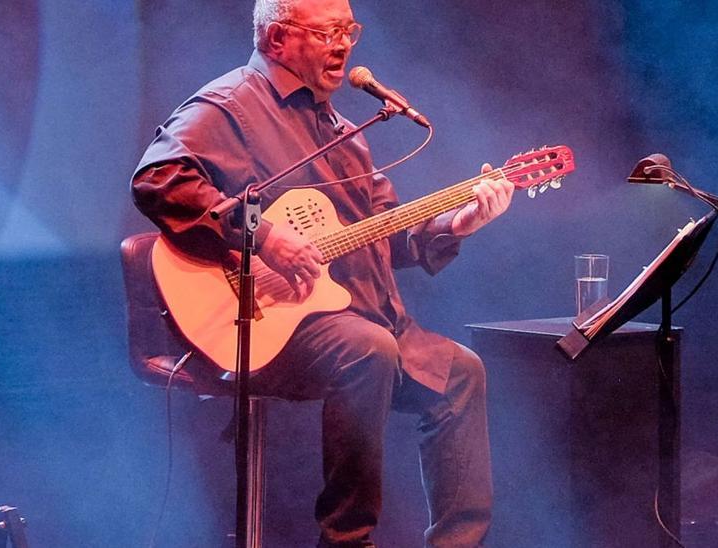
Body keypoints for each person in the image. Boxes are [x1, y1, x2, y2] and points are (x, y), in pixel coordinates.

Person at [131, 0, 514, 545]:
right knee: (370, 349)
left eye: (349, 30)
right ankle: (345, 541)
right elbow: (158, 178)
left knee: (462, 373)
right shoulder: (229, 105)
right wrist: (262, 234)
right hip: (263, 320)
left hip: (357, 315)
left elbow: (387, 235)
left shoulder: (343, 131)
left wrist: (460, 222)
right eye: (328, 31)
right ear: (278, 39)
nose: (344, 44)